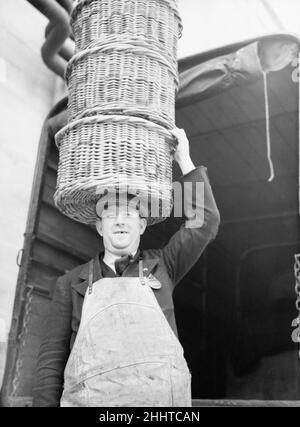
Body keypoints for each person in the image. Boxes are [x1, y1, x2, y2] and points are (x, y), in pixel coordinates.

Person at [33, 128, 220, 407]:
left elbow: (202, 221)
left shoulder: (163, 266)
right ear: (99, 226)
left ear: (142, 225)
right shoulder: (71, 283)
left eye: (129, 213)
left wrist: (184, 160)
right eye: (110, 213)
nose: (120, 221)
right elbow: (50, 365)